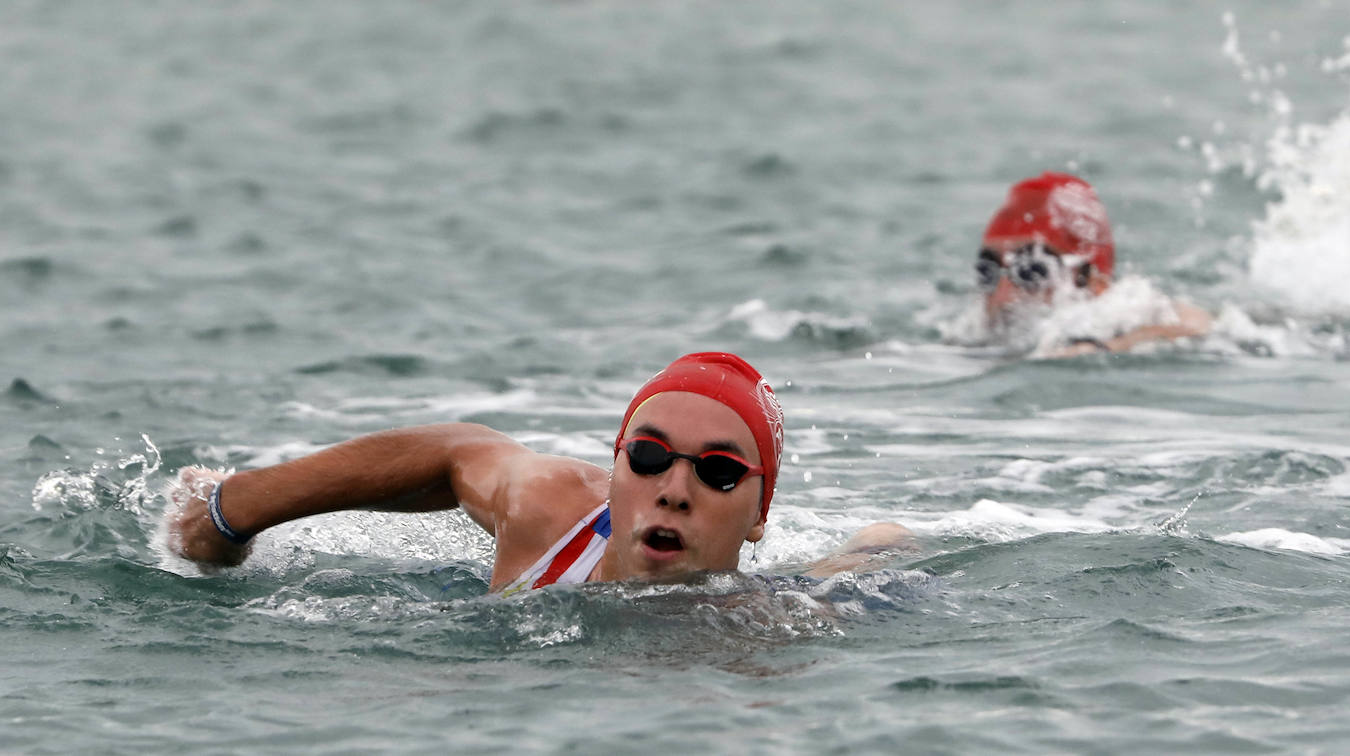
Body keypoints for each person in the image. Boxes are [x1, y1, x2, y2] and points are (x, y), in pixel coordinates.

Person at [166, 351, 913, 592]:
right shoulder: (554, 515)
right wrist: (232, 510)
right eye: (647, 458)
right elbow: (458, 448)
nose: (673, 490)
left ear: (758, 517)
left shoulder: (766, 640)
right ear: (615, 468)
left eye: (717, 472)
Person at [976, 172, 1211, 354]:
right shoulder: (970, 337)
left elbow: (1195, 324)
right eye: (988, 271)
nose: (1002, 294)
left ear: (1094, 283)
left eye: (1032, 271)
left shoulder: (1128, 315)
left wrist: (1110, 347)